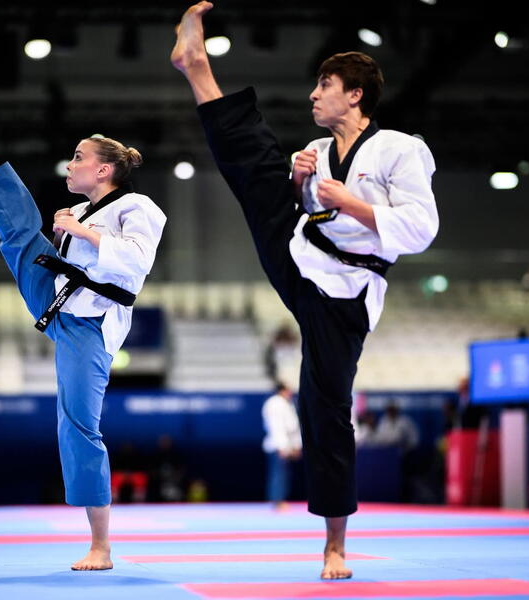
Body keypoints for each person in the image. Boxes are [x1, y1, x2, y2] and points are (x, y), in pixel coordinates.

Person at [172, 2, 438, 579]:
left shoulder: (400, 149)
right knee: (257, 168)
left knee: (324, 405)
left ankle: (334, 545)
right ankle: (197, 67)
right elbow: (305, 207)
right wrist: (298, 185)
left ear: (356, 95)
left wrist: (352, 203)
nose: (314, 95)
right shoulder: (317, 151)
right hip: (300, 251)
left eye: (325, 86)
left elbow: (422, 228)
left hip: (346, 290)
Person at [0, 74, 166, 571]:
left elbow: (135, 263)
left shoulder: (139, 207)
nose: (70, 163)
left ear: (104, 169)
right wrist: (72, 228)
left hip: (90, 324)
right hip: (58, 297)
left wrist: (80, 232)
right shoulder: (83, 209)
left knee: (78, 424)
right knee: (16, 222)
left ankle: (101, 545)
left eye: (79, 157)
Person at [262, 384, 302, 509]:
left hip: (286, 445)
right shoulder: (274, 404)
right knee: (278, 474)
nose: (291, 392)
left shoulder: (287, 403)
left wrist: (296, 445)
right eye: (288, 390)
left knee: (284, 474)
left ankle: (281, 499)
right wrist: (282, 447)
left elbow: (293, 427)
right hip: (277, 445)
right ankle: (277, 500)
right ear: (282, 390)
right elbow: (276, 427)